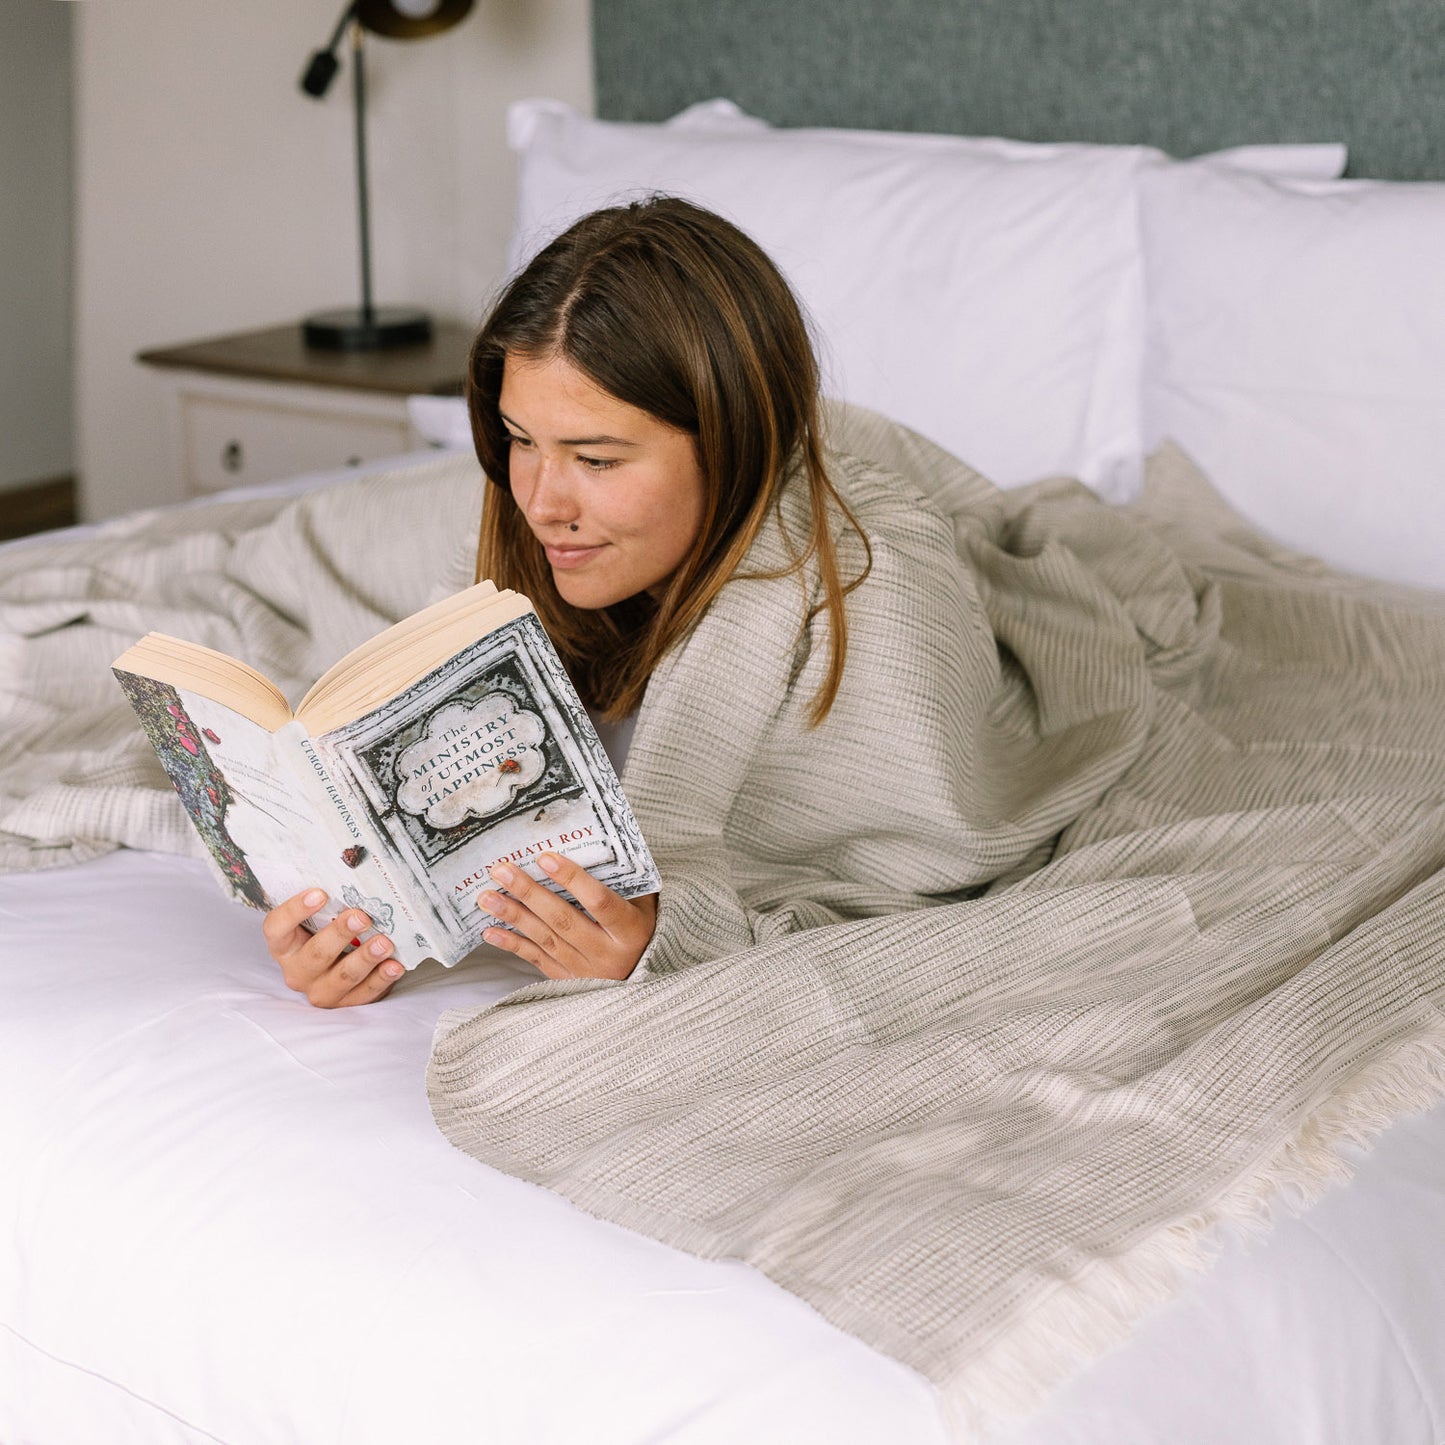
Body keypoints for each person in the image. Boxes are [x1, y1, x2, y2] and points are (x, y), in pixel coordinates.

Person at [263, 196, 873, 1007]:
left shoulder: (861, 593)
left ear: (730, 443)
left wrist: (663, 946)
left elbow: (901, 883)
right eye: (518, 440)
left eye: (595, 457)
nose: (542, 504)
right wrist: (352, 925)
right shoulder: (524, 544)